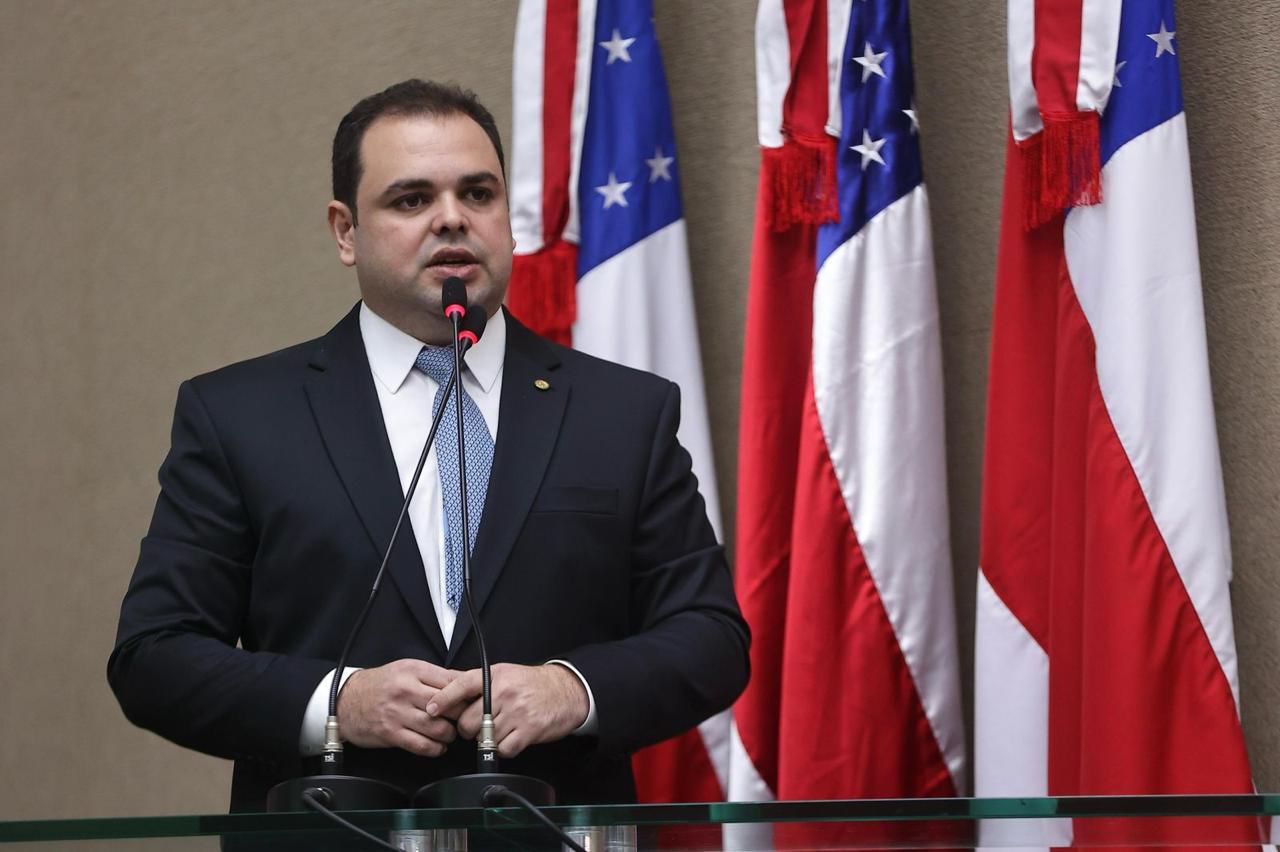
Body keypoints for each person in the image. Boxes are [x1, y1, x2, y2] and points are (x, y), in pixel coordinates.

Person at [108, 79, 750, 811]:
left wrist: (568, 689)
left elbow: (710, 637)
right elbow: (153, 656)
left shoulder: (623, 411)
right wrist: (337, 703)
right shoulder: (239, 416)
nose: (452, 220)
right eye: (411, 200)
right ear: (345, 231)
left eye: (478, 194)